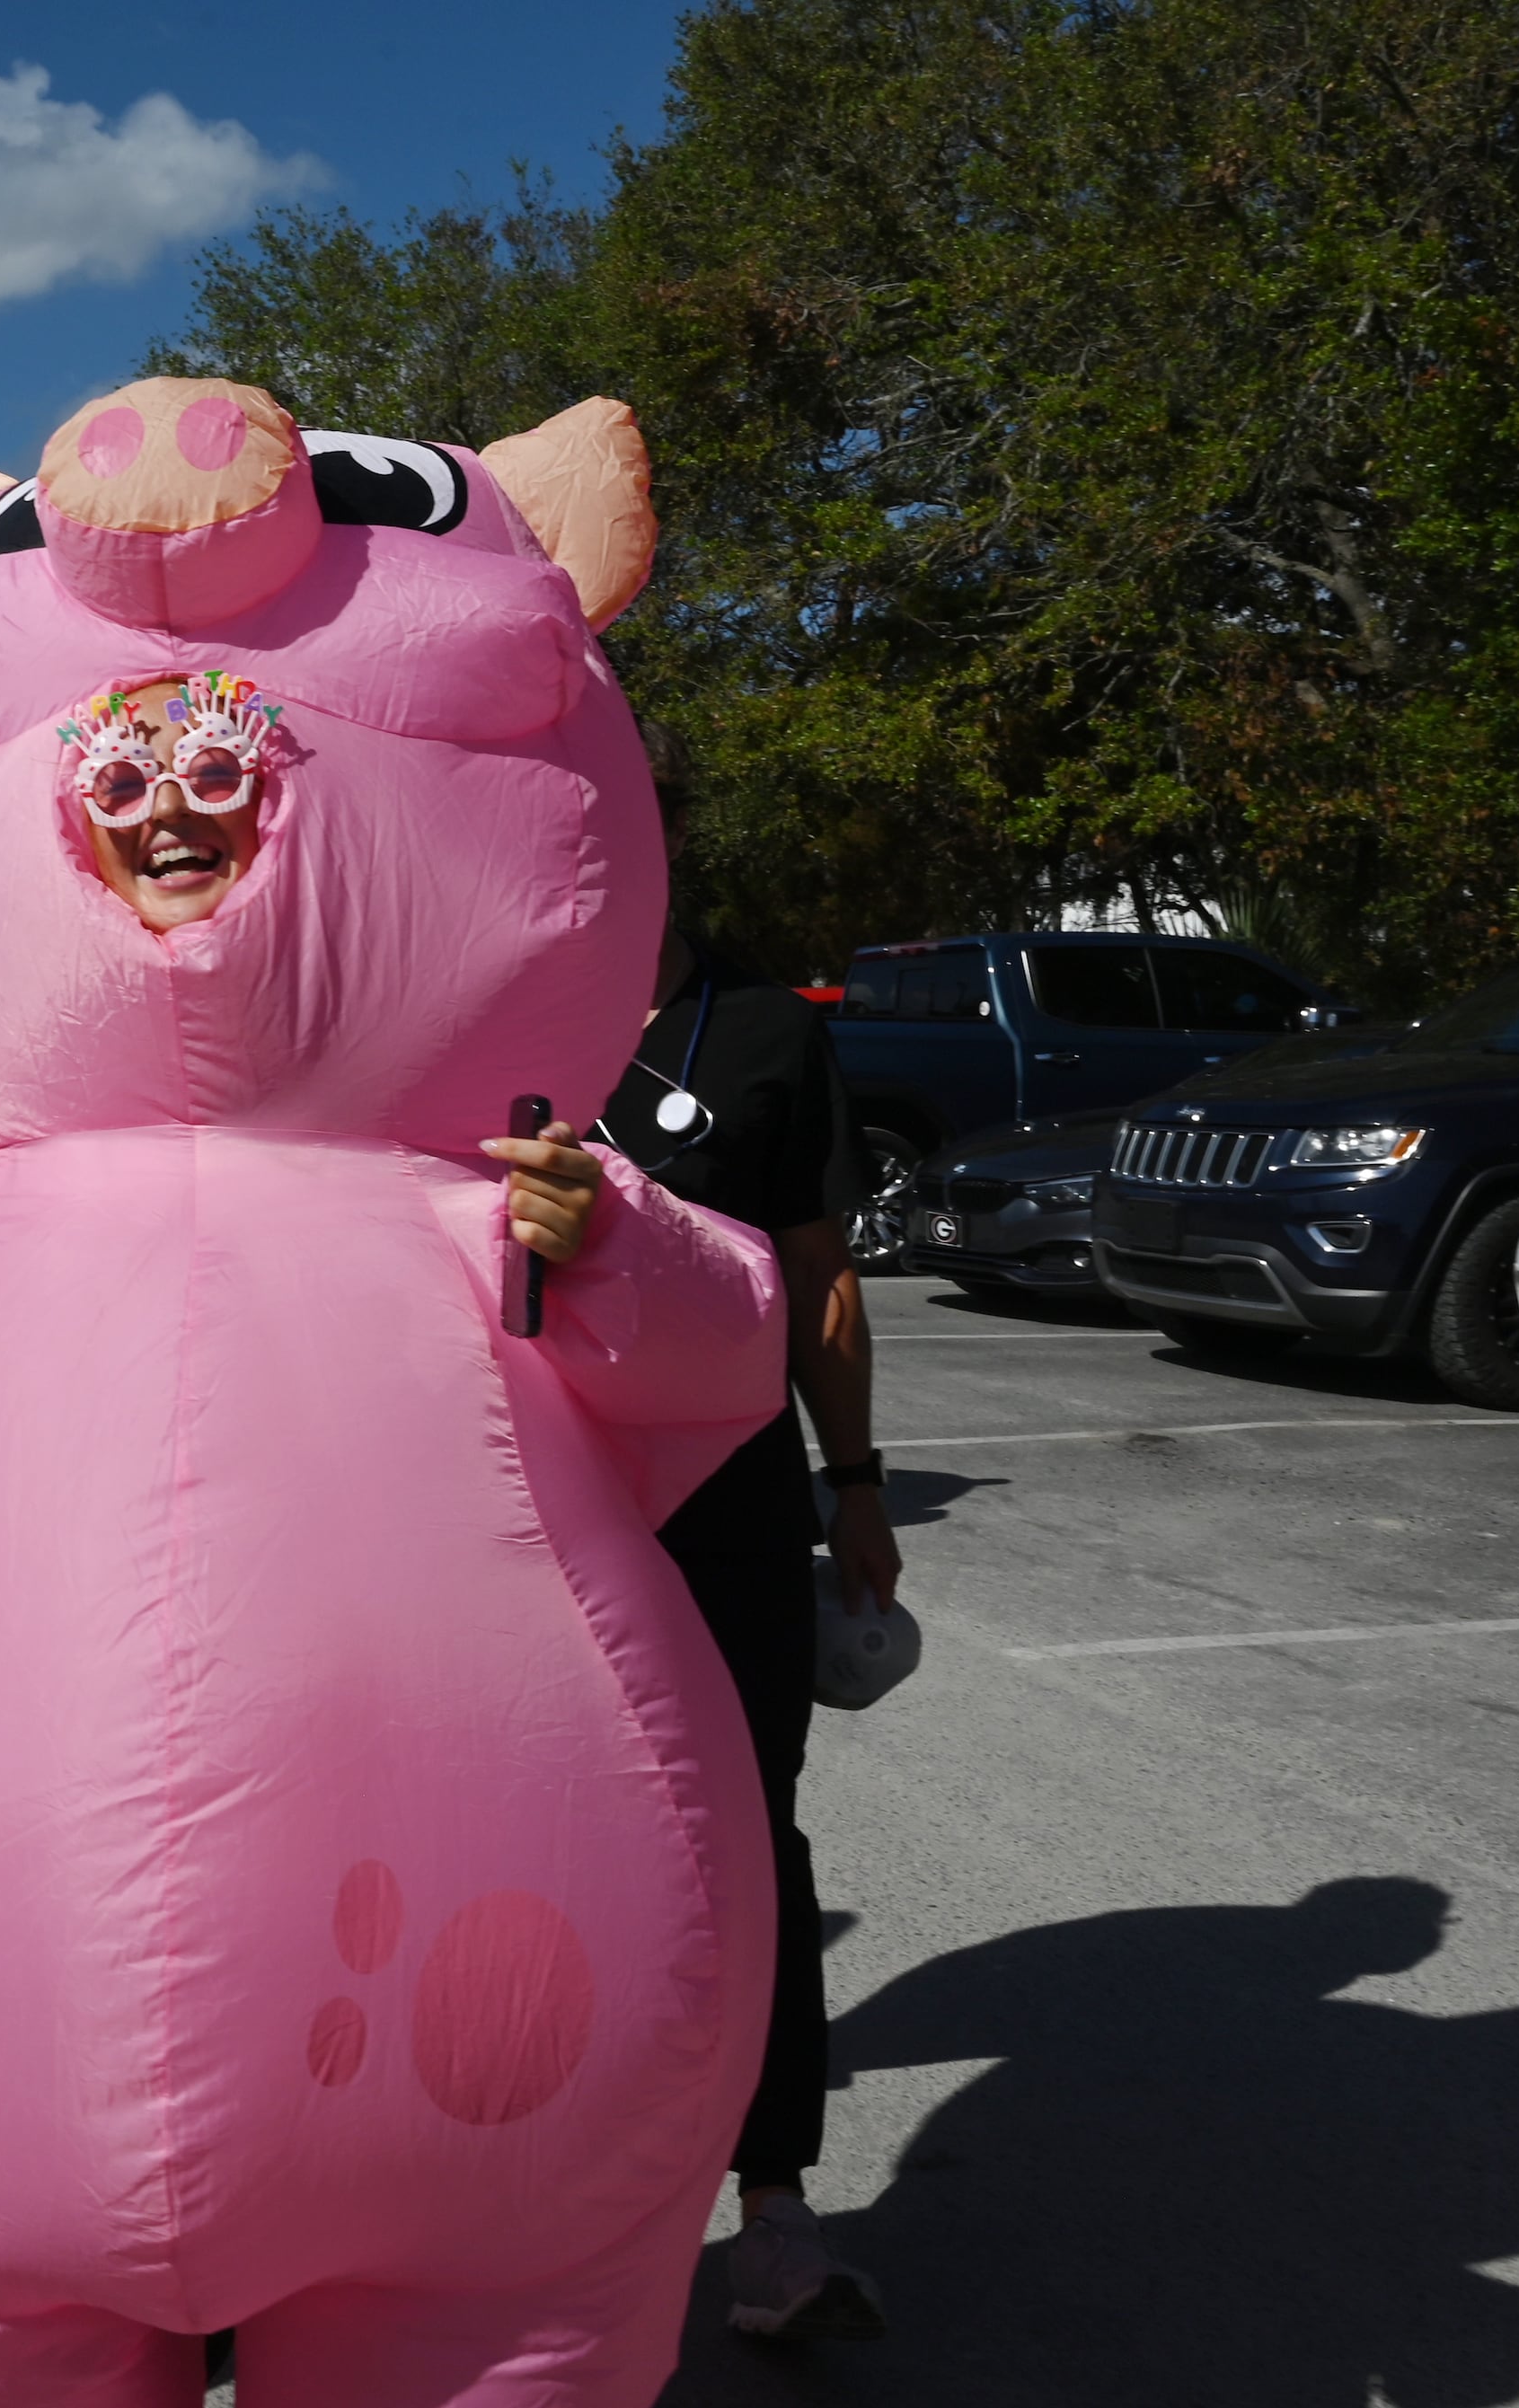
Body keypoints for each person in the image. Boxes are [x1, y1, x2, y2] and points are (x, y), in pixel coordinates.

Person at [0, 377, 784, 2408]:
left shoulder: (494, 1203)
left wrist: (606, 1238)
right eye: (120, 773)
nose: (172, 818)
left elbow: (719, 1355)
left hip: (489, 2010)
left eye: (220, 768)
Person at [594, 848, 903, 2341]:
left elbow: (824, 1278)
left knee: (741, 1838)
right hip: (527, 1513)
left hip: (730, 1509)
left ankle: (773, 2213)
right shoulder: (483, 1011)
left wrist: (857, 1480)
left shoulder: (769, 1032)